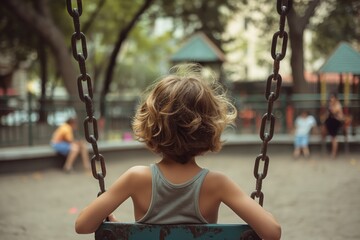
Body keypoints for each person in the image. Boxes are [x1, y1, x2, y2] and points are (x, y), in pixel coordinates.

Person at [74, 64, 281, 240]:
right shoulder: (217, 183)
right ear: (210, 129)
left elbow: (82, 225)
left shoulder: (136, 178)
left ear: (150, 127)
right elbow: (272, 232)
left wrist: (117, 226)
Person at [322, 93, 344, 158]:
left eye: (332, 98)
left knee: (334, 137)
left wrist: (331, 106)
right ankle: (324, 147)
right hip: (331, 122)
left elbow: (334, 112)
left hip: (336, 122)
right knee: (324, 128)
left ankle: (334, 153)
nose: (331, 99)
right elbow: (327, 114)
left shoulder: (338, 105)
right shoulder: (330, 105)